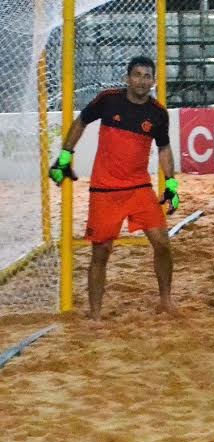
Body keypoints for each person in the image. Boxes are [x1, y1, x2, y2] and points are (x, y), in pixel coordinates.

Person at [49, 55, 180, 320]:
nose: (142, 81)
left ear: (153, 81)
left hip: (139, 188)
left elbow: (164, 148)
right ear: (127, 78)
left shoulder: (157, 113)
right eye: (137, 75)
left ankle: (165, 300)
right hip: (105, 190)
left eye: (147, 76)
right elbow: (80, 122)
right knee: (101, 252)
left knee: (162, 243)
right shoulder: (108, 100)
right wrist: (65, 157)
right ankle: (95, 314)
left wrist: (171, 184)